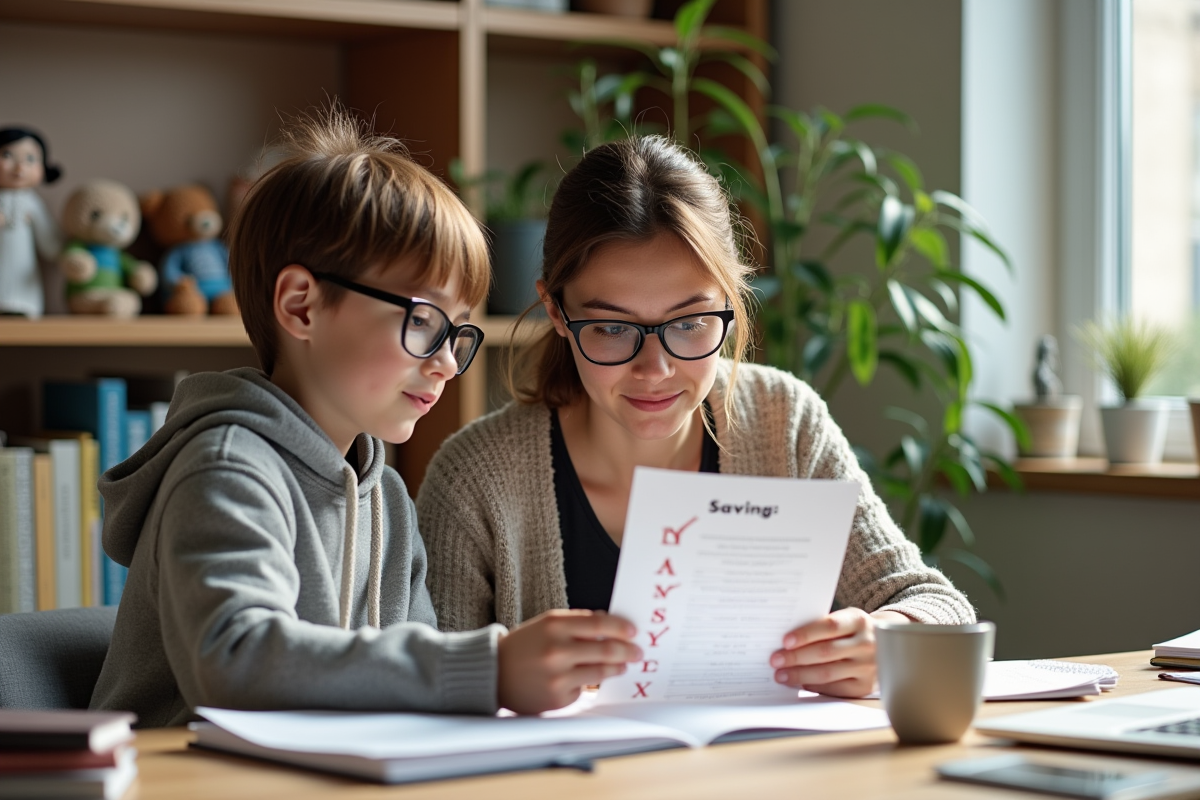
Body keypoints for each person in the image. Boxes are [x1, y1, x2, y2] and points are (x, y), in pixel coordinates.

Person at [89, 108, 641, 727]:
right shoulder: (226, 470)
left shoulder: (387, 497)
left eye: (457, 334)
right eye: (424, 322)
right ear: (301, 306)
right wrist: (490, 670)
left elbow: (414, 682)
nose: (446, 365)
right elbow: (234, 661)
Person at [416, 135, 975, 699]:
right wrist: (492, 679)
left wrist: (888, 637)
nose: (654, 369)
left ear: (731, 302)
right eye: (612, 328)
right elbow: (418, 688)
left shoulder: (784, 422)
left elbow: (941, 606)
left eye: (690, 324)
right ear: (557, 313)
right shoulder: (476, 479)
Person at [0, 126, 62, 317]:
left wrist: (65, 253)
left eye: (30, 159)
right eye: (8, 155)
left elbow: (49, 241)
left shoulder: (32, 202)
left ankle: (24, 305)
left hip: (24, 278)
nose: (20, 168)